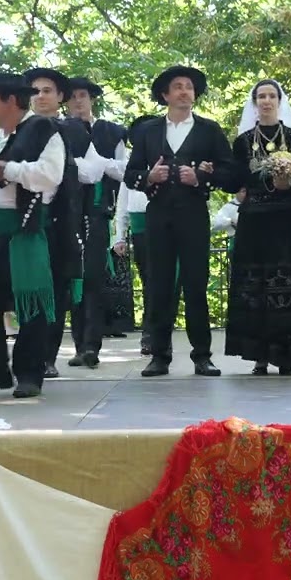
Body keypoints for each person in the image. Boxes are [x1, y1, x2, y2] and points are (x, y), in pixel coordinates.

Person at [123, 65, 234, 377]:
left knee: (196, 283)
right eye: (178, 87)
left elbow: (231, 173)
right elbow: (130, 175)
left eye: (189, 87)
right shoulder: (148, 131)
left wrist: (200, 177)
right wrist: (149, 177)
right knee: (159, 284)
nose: (185, 92)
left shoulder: (209, 130)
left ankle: (202, 356)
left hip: (194, 214)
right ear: (165, 95)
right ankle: (159, 355)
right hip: (158, 214)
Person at [0, 72, 66, 398]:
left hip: (25, 232)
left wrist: (10, 170)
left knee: (31, 305)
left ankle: (30, 374)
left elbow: (50, 175)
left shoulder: (43, 132)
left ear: (10, 101)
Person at [224, 79, 291, 374]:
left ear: (279, 102)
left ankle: (289, 355)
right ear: (255, 102)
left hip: (288, 221)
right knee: (257, 287)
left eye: (272, 96)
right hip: (255, 221)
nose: (267, 101)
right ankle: (259, 354)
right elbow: (235, 180)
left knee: (290, 285)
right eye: (262, 96)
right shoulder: (243, 141)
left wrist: (290, 183)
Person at [24, 67, 104, 377]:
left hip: (61, 220)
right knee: (26, 288)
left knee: (57, 289)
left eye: (47, 91)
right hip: (24, 221)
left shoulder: (75, 131)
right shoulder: (20, 127)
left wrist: (63, 166)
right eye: (35, 91)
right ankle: (24, 356)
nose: (40, 97)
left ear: (60, 97)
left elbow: (93, 172)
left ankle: (47, 357)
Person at [65, 77, 131, 356]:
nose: (78, 101)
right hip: (65, 214)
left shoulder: (111, 132)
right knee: (70, 279)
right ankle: (76, 343)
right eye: (72, 96)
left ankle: (90, 345)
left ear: (91, 99)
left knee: (93, 278)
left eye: (82, 95)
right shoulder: (58, 130)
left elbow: (126, 170)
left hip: (98, 212)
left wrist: (99, 164)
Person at [114, 114, 163, 356]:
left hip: (165, 222)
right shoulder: (132, 165)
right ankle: (150, 332)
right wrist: (120, 236)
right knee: (149, 279)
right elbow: (122, 203)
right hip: (140, 226)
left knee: (165, 281)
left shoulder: (165, 159)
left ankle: (159, 331)